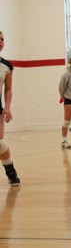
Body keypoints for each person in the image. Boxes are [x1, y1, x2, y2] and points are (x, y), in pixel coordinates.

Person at [0, 31, 20, 186]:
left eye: (2, 39)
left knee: (0, 143)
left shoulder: (7, 66)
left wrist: (7, 107)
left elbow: (8, 89)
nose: (0, 42)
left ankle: (11, 172)